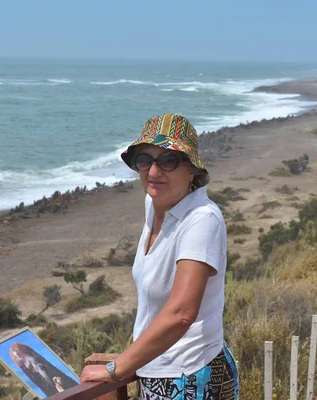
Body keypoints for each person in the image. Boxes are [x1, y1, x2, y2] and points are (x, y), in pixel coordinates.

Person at [80, 114, 239, 400]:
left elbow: (181, 313)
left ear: (191, 169)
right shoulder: (154, 204)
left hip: (189, 378)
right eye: (145, 160)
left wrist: (116, 369)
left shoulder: (202, 219)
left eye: (168, 161)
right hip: (156, 370)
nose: (153, 172)